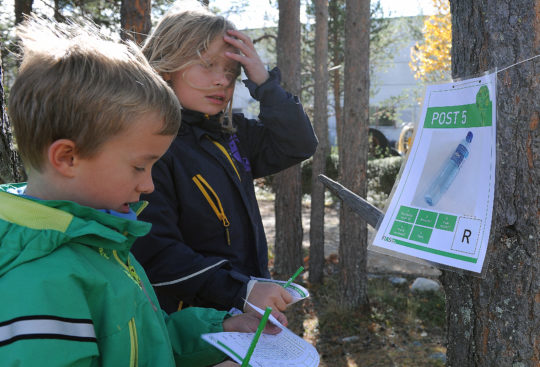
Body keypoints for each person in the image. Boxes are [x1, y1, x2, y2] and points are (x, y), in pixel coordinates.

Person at [0, 16, 282, 367]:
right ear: (67, 157)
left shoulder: (102, 239)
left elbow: (148, 336)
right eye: (139, 167)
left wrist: (222, 329)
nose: (148, 184)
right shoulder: (39, 282)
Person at [131, 4, 318, 315]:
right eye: (207, 64)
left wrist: (264, 84)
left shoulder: (231, 134)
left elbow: (299, 144)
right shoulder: (151, 146)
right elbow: (157, 253)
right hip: (191, 328)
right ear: (165, 66)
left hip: (246, 310)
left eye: (231, 73)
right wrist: (241, 290)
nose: (222, 80)